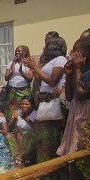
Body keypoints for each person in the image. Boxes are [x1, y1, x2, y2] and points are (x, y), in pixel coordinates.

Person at [24, 37, 67, 178]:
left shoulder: (61, 59)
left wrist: (35, 68)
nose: (44, 49)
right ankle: (44, 173)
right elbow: (42, 80)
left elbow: (53, 81)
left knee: (49, 142)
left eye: (47, 46)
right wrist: (34, 67)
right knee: (42, 141)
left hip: (53, 107)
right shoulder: (51, 62)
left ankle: (49, 174)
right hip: (45, 105)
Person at [56, 36, 90, 178]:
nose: (73, 57)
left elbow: (82, 93)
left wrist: (77, 69)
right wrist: (69, 76)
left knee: (83, 158)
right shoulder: (80, 71)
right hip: (75, 116)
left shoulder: (83, 72)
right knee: (73, 160)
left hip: (85, 118)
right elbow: (70, 97)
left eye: (77, 54)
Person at [4, 45, 33, 125]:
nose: (17, 52)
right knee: (10, 110)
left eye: (19, 51)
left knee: (24, 110)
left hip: (24, 91)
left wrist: (21, 72)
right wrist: (12, 71)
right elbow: (6, 78)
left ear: (25, 52)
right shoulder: (11, 63)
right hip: (12, 91)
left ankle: (24, 128)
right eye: (16, 51)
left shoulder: (28, 63)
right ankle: (12, 129)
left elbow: (30, 79)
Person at [7, 96, 37, 168]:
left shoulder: (36, 113)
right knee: (9, 136)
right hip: (19, 135)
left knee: (29, 134)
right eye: (22, 104)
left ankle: (19, 157)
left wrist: (24, 118)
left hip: (31, 136)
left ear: (32, 105)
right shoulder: (17, 112)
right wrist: (15, 118)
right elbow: (10, 127)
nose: (24, 106)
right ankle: (17, 157)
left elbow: (37, 128)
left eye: (27, 104)